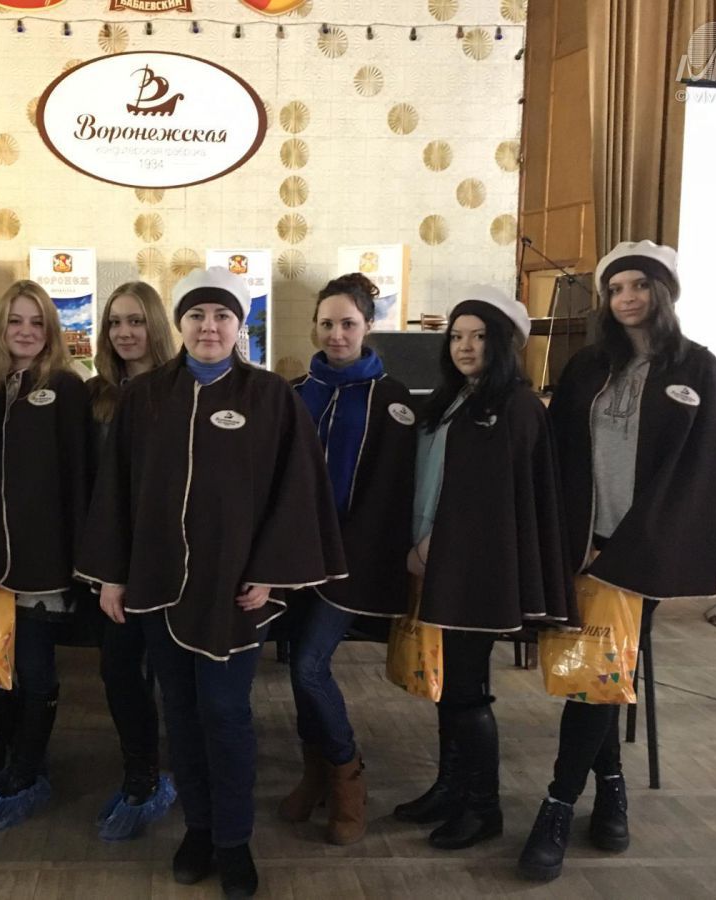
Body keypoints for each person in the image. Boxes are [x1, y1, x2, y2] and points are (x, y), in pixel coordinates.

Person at [79, 267, 347, 899]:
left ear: (239, 325)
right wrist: (112, 577)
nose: (209, 327)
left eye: (222, 316)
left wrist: (270, 574)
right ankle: (198, 830)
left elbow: (296, 491)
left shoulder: (270, 396)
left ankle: (233, 839)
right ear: (180, 324)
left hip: (234, 592)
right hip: (158, 586)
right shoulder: (146, 397)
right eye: (197, 316)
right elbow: (115, 491)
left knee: (225, 714)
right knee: (180, 714)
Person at [518, 241, 716, 880]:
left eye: (639, 285)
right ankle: (611, 788)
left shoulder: (701, 370)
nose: (627, 298)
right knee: (604, 672)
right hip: (584, 545)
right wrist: (570, 539)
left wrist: (628, 546)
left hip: (648, 552)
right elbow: (560, 460)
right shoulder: (586, 368)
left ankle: (556, 804)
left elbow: (703, 473)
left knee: (596, 676)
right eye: (616, 288)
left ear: (664, 293)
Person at [394, 285, 573, 852]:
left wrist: (436, 547)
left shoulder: (515, 407)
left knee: (467, 690)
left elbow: (494, 502)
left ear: (503, 344)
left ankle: (483, 806)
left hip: (474, 568)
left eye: (478, 337)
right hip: (437, 559)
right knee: (450, 686)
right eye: (456, 337)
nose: (465, 347)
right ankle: (450, 787)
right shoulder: (452, 400)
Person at [279, 273, 416, 845]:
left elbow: (394, 491)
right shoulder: (293, 391)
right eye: (328, 323)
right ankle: (314, 773)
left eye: (349, 324)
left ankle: (346, 772)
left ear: (369, 325)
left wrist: (352, 553)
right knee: (297, 663)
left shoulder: (393, 398)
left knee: (311, 665)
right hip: (294, 558)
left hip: (353, 560)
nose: (337, 334)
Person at [0, 280, 91, 832]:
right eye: (16, 321)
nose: (26, 332)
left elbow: (79, 475)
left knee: (35, 670)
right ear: (0, 327)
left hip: (44, 557)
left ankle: (24, 772)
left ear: (51, 330)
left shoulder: (66, 386)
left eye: (37, 322)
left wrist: (81, 559)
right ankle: (28, 755)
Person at [84, 281, 179, 841]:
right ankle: (140, 775)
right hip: (113, 561)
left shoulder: (181, 389)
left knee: (174, 673)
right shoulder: (94, 394)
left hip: (168, 559)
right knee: (118, 669)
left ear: (156, 327)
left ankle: (184, 773)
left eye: (136, 321)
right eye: (115, 322)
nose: (124, 332)